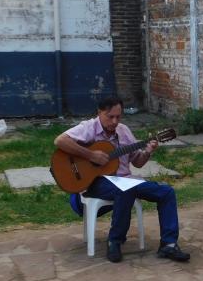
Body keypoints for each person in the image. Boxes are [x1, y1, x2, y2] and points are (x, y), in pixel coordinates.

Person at [53, 96, 190, 263]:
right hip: (97, 182)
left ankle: (168, 244)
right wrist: (91, 155)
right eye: (110, 116)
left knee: (166, 192)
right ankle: (115, 242)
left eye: (118, 116)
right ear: (99, 113)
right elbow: (60, 140)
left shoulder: (124, 131)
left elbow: (137, 163)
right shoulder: (89, 128)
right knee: (126, 190)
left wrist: (147, 151)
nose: (114, 121)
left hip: (126, 180)